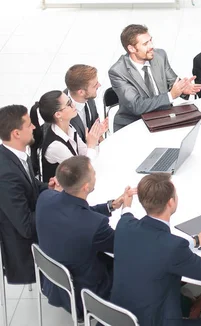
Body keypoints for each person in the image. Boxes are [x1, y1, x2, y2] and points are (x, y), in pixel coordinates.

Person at [111, 173, 201, 326]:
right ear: (171, 202)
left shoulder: (124, 226)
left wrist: (196, 240)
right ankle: (195, 305)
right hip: (155, 321)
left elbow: (127, 215)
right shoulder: (173, 247)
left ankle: (194, 304)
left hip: (119, 316)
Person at [36, 156, 136, 319]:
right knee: (135, 263)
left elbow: (77, 212)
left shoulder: (45, 198)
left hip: (53, 283)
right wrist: (127, 210)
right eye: (94, 173)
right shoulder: (95, 226)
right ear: (86, 187)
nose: (96, 175)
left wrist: (110, 206)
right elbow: (124, 245)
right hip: (85, 294)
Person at [0, 105, 58, 284]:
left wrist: (47, 188)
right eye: (29, 124)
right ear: (16, 133)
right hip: (25, 249)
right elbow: (25, 226)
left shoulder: (15, 155)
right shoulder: (6, 174)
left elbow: (30, 186)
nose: (34, 127)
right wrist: (52, 205)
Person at [109, 24, 201, 132]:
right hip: (134, 123)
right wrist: (170, 95)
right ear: (131, 48)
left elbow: (172, 81)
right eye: (145, 44)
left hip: (162, 118)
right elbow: (136, 105)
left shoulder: (159, 56)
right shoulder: (118, 71)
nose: (151, 46)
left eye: (150, 40)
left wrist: (183, 89)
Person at [30, 90, 105, 182]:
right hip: (64, 190)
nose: (73, 105)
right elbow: (82, 171)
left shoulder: (68, 127)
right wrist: (91, 144)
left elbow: (83, 153)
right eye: (69, 104)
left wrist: (94, 138)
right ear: (58, 114)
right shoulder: (55, 145)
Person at [64, 64, 106, 143]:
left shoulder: (88, 96)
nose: (99, 85)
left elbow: (95, 123)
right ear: (81, 92)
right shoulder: (64, 115)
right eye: (95, 85)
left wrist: (102, 141)